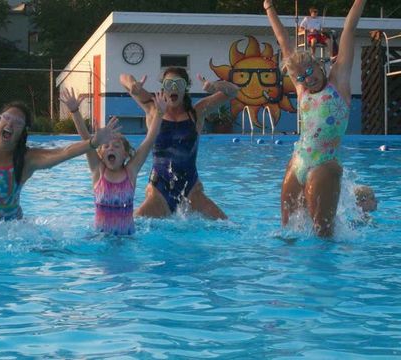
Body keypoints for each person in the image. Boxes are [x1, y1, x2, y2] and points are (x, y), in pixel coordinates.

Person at [0, 102, 119, 230]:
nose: (10, 123)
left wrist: (92, 142)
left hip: (7, 234)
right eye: (6, 118)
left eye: (17, 122)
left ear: (23, 131)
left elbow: (63, 152)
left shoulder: (27, 159)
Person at [264, 0, 366, 237]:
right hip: (298, 161)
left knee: (322, 233)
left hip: (325, 164)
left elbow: (349, 30)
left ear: (319, 66)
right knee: (288, 230)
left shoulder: (338, 83)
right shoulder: (302, 91)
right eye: (301, 78)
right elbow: (283, 42)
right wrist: (268, 8)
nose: (308, 80)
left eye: (310, 72)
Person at [119, 68, 239, 219]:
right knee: (129, 225)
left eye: (179, 84)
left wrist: (216, 86)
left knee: (226, 226)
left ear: (186, 88)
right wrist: (132, 85)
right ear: (163, 88)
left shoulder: (198, 112)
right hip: (159, 190)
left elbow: (234, 92)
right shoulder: (153, 108)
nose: (174, 88)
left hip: (191, 189)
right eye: (169, 84)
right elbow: (123, 77)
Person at [61, 88, 167, 235]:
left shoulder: (131, 171)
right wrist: (74, 111)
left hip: (127, 239)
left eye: (117, 146)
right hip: (100, 238)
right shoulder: (98, 171)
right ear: (100, 153)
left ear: (125, 154)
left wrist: (160, 114)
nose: (111, 148)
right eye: (106, 146)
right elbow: (86, 139)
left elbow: (149, 140)